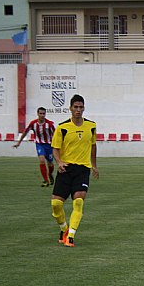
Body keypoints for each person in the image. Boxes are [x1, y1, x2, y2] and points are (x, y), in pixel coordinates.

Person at [50, 94, 99, 247]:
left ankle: (71, 235)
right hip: (66, 169)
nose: (78, 110)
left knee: (78, 201)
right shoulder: (62, 127)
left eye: (80, 107)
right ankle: (64, 228)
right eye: (75, 107)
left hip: (83, 169)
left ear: (84, 108)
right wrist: (59, 162)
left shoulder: (91, 126)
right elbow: (55, 149)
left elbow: (93, 146)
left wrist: (94, 165)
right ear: (70, 108)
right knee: (56, 205)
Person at [13, 107, 56, 187]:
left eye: (44, 114)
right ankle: (46, 181)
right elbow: (25, 132)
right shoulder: (33, 123)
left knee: (50, 163)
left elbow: (56, 135)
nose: (42, 115)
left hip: (49, 145)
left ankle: (50, 174)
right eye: (41, 113)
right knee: (42, 160)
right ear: (37, 114)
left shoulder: (49, 124)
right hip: (39, 144)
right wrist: (19, 142)